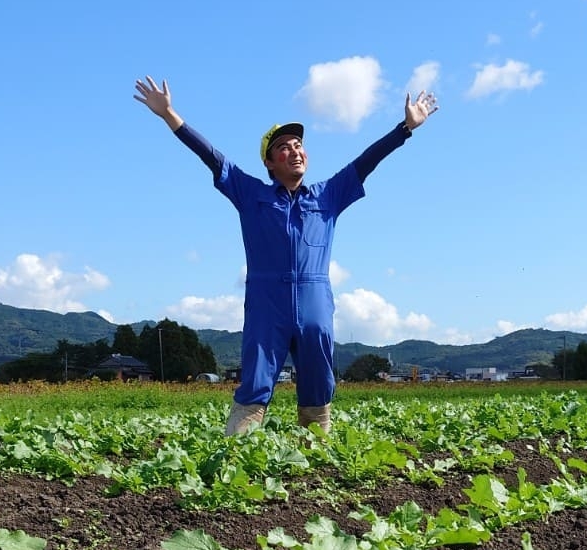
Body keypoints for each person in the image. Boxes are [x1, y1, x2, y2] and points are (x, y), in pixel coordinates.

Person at [133, 75, 438, 434]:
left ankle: (316, 456)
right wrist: (170, 115)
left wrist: (405, 128)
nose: (294, 150)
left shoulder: (328, 194)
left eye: (298, 145)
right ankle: (237, 452)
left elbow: (367, 161)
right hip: (267, 302)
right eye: (284, 147)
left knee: (318, 383)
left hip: (315, 300)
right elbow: (213, 158)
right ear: (269, 163)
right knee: (256, 377)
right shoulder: (252, 195)